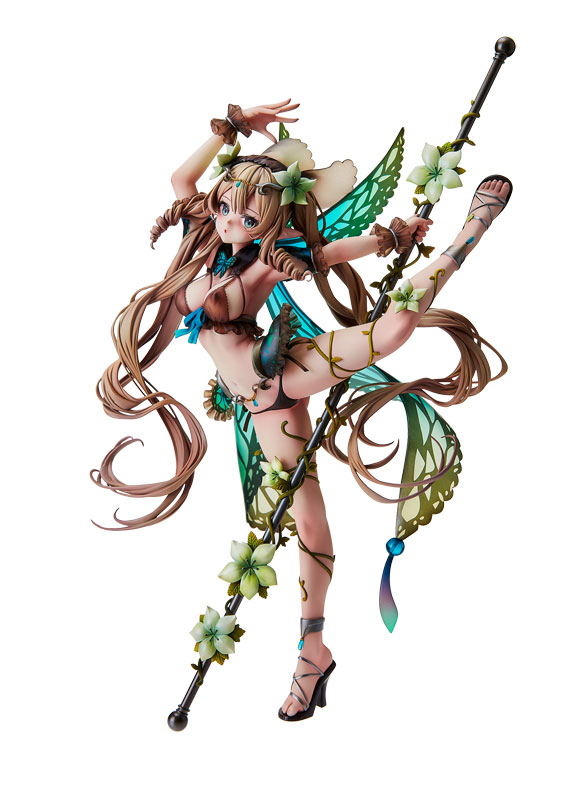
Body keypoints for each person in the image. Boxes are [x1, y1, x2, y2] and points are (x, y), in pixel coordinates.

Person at [93, 100, 511, 721]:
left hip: (288, 369)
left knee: (395, 329)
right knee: (308, 527)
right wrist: (234, 127)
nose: (232, 219)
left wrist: (390, 240)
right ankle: (313, 652)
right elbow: (182, 180)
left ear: (269, 218)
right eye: (227, 205)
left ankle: (467, 235)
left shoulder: (265, 261)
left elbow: (327, 255)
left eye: (249, 213)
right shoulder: (198, 239)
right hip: (261, 410)